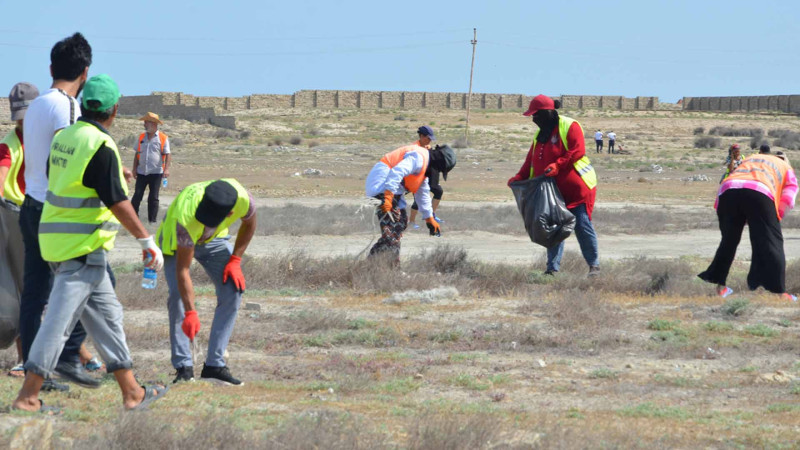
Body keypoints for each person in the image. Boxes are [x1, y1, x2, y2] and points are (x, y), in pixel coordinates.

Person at [12, 74, 168, 413]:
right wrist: (146, 240)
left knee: (108, 317)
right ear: (114, 110)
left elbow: (63, 179)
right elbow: (117, 201)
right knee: (57, 323)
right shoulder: (101, 145)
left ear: (83, 105)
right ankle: (27, 398)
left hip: (58, 240)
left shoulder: (65, 137)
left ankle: (132, 392)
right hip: (80, 246)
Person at [19, 32, 97, 391]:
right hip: (55, 211)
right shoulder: (68, 107)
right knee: (81, 285)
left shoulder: (36, 104)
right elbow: (67, 159)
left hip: (30, 205)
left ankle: (35, 371)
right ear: (85, 73)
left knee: (35, 295)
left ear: (51, 68)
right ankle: (66, 358)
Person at [157, 179, 257, 385]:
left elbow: (250, 223)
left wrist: (236, 259)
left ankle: (214, 366)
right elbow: (183, 270)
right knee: (178, 297)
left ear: (229, 213)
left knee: (233, 289)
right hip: (177, 238)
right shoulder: (187, 216)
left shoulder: (245, 201)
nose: (203, 222)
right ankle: (184, 368)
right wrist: (191, 313)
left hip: (213, 240)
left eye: (208, 220)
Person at [508, 95, 600, 276]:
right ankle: (552, 270)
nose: (534, 119)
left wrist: (558, 165)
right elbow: (531, 160)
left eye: (536, 115)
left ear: (547, 113)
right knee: (553, 229)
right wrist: (519, 177)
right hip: (553, 194)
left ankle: (594, 266)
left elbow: (577, 150)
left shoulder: (569, 125)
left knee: (582, 225)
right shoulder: (540, 134)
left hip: (577, 190)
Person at [698, 151, 798, 300]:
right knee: (772, 242)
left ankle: (718, 287)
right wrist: (776, 218)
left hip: (727, 190)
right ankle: (779, 293)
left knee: (728, 241)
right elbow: (789, 196)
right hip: (758, 191)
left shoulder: (751, 158)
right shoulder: (785, 167)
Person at [365, 126, 456, 261]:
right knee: (392, 231)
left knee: (401, 223)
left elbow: (422, 193)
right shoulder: (419, 157)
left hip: (392, 190)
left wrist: (429, 218)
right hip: (381, 185)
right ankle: (384, 267)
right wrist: (388, 197)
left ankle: (378, 264)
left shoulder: (425, 166)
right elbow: (397, 172)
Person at [1, 82, 38, 378]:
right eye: (19, 117)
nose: (23, 122)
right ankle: (26, 358)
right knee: (26, 289)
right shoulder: (9, 144)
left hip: (44, 216)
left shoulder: (49, 138)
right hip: (16, 218)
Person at [131, 112, 171, 224]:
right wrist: (134, 169)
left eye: (146, 122)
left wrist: (166, 169)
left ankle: (152, 221)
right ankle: (133, 218)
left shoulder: (163, 138)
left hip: (156, 172)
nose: (144, 124)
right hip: (141, 172)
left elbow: (168, 154)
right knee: (137, 195)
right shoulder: (141, 137)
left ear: (153, 124)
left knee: (153, 197)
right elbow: (137, 153)